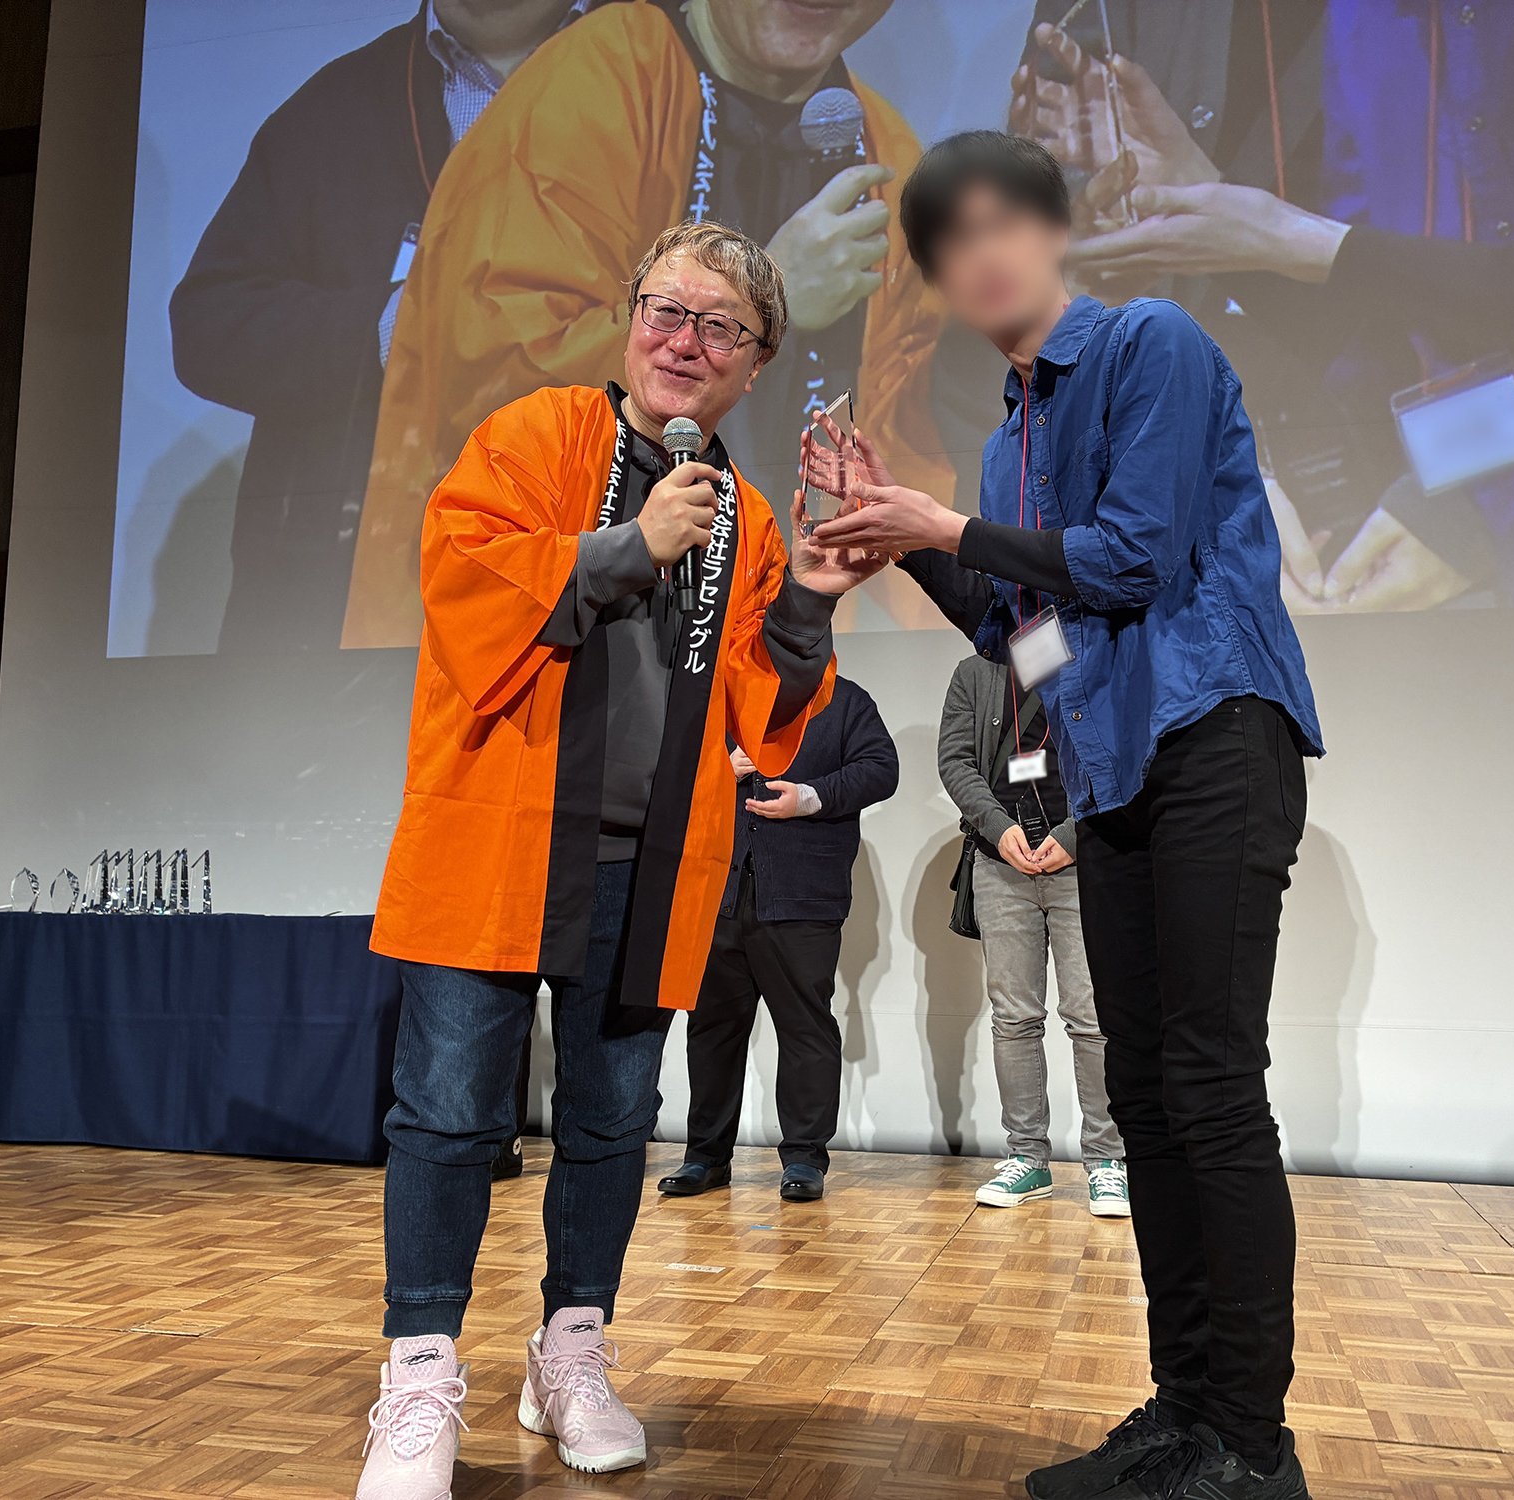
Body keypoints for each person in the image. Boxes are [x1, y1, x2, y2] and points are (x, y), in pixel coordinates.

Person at [809, 133, 1323, 1498]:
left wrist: (946, 527)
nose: (976, 257)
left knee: (1208, 1084)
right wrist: (900, 537)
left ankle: (1250, 1447)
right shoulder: (1009, 441)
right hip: (1117, 772)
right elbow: (1027, 640)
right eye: (946, 243)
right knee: (1143, 1095)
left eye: (999, 223)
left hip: (1214, 734)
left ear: (1053, 231)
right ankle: (1185, 1410)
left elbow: (1135, 559)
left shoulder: (1151, 341)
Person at [354, 221, 886, 1496]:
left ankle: (570, 1350)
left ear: (755, 363)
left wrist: (810, 595)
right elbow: (460, 579)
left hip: (647, 867)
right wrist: (625, 547)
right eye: (666, 311)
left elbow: (766, 709)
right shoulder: (536, 434)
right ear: (630, 317)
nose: (684, 342)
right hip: (497, 841)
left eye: (720, 327)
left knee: (608, 1123)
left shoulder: (743, 514)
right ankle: (419, 1375)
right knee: (446, 1114)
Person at [1052, 0, 1514, 609]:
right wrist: (1213, 207)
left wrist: (1299, 242)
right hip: (1486, 535)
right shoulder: (1367, 18)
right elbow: (1382, 318)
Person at [342, 0, 955, 647]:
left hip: (761, 628)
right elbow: (489, 369)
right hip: (554, 624)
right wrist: (769, 299)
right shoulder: (596, 78)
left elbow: (905, 447)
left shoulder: (886, 157)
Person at [169, 0, 607, 653]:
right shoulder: (329, 111)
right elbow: (209, 326)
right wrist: (397, 329)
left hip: (597, 588)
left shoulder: (675, 78)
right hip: (346, 617)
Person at [657, 676, 897, 1204]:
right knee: (712, 1028)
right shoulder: (720, 700)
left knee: (805, 1027)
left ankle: (805, 1157)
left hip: (802, 895)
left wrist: (811, 797)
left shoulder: (844, 700)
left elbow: (882, 769)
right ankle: (705, 1156)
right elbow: (664, 765)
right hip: (718, 891)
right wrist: (718, 767)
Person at [939, 653, 1127, 1217]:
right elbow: (955, 761)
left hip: (1082, 861)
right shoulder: (975, 673)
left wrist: (1074, 834)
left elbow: (1121, 755)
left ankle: (1108, 1162)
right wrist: (999, 830)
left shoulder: (1097, 657)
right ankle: (1027, 1157)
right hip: (1001, 864)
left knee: (1092, 1016)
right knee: (1014, 1017)